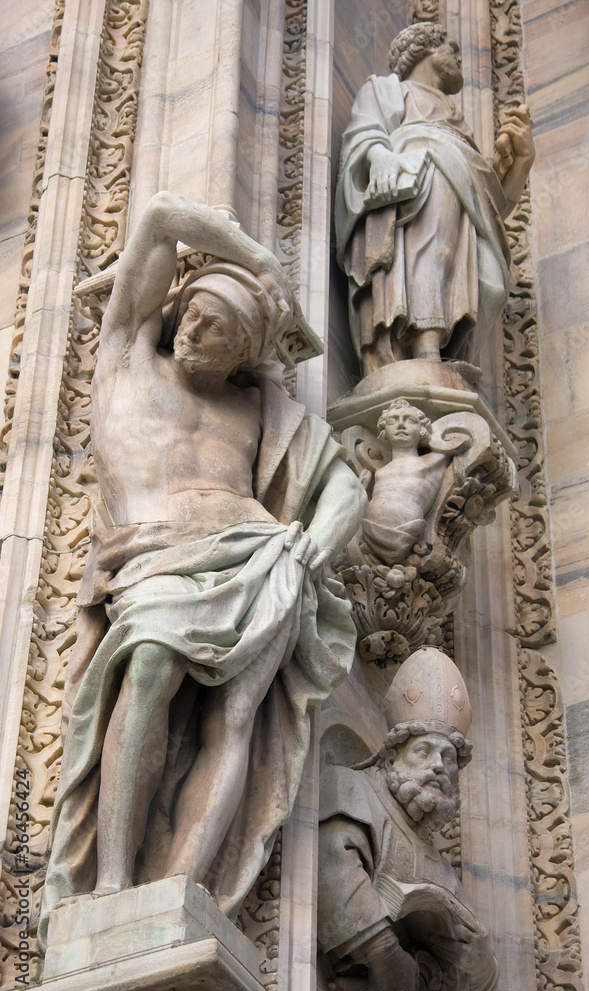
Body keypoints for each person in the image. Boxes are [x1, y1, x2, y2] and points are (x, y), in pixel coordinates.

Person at [39, 191, 367, 948]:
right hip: (151, 559)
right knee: (149, 662)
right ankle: (114, 880)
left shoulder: (258, 413)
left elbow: (342, 483)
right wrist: (254, 261)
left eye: (214, 330)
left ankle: (185, 887)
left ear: (244, 352)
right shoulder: (126, 360)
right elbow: (156, 217)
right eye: (190, 314)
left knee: (235, 718)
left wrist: (306, 548)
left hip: (259, 560)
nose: (191, 331)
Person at [335, 22, 535, 375]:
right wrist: (379, 155)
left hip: (452, 179)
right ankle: (425, 350)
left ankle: (441, 354)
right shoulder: (385, 90)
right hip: (418, 176)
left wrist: (520, 164)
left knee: (480, 272)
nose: (458, 58)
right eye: (451, 48)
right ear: (424, 48)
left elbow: (493, 211)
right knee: (431, 252)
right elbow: (362, 136)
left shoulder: (457, 122)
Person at [317, 647, 499, 991]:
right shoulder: (350, 787)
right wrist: (383, 951)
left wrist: (482, 964)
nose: (438, 767)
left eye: (448, 758)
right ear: (391, 757)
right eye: (423, 751)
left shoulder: (444, 871)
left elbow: (479, 984)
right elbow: (332, 859)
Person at [358, 399, 449, 565]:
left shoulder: (432, 461)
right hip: (369, 534)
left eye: (410, 420)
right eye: (393, 420)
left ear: (422, 430)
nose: (400, 425)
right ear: (383, 431)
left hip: (406, 534)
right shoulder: (379, 471)